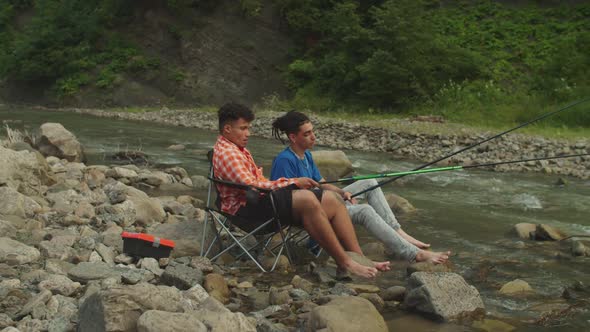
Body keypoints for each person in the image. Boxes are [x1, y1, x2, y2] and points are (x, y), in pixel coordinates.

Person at [212, 102, 390, 278]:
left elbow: (258, 183)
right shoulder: (230, 153)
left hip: (257, 202)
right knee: (307, 199)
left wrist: (299, 184)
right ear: (227, 129)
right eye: (243, 128)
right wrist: (294, 182)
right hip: (247, 210)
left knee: (332, 199)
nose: (248, 133)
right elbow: (254, 186)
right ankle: (344, 262)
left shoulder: (235, 148)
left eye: (248, 128)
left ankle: (359, 259)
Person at [270, 110, 450, 264]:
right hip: (311, 213)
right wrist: (335, 202)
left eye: (312, 131)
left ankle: (398, 232)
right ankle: (414, 254)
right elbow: (286, 199)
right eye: (307, 134)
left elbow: (323, 184)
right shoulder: (285, 160)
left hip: (324, 202)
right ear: (293, 137)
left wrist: (342, 192)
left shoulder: (306, 155)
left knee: (369, 183)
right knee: (364, 211)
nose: (313, 136)